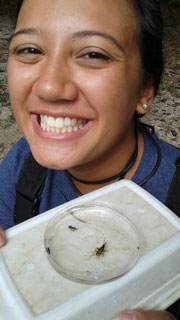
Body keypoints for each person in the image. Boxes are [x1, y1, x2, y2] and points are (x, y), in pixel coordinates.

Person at [0, 0, 179, 318]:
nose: (49, 86)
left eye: (93, 54)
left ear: (145, 90)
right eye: (29, 49)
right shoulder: (20, 166)